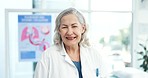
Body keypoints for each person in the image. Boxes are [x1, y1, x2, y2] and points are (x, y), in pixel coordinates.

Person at [34, 8, 110, 78]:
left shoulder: (94, 54)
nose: (70, 32)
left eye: (74, 26)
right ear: (59, 30)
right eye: (64, 27)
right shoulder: (48, 56)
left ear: (83, 28)